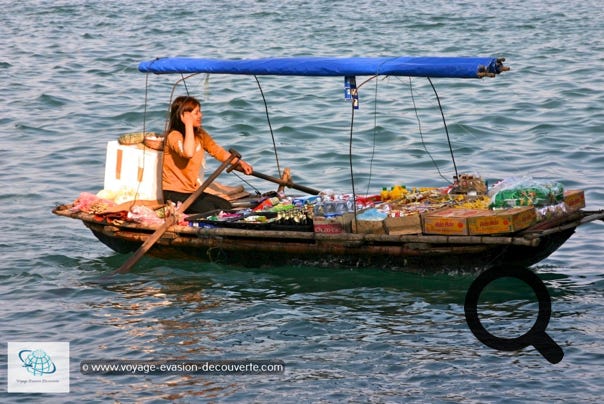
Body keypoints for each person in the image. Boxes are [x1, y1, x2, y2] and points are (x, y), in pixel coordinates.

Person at [162, 95, 253, 213]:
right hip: (173, 192)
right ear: (183, 116)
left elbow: (217, 151)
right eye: (196, 113)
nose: (201, 115)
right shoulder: (174, 136)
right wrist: (188, 124)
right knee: (210, 210)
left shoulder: (200, 134)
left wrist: (240, 163)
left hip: (191, 191)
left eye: (200, 112)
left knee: (225, 206)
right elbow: (188, 153)